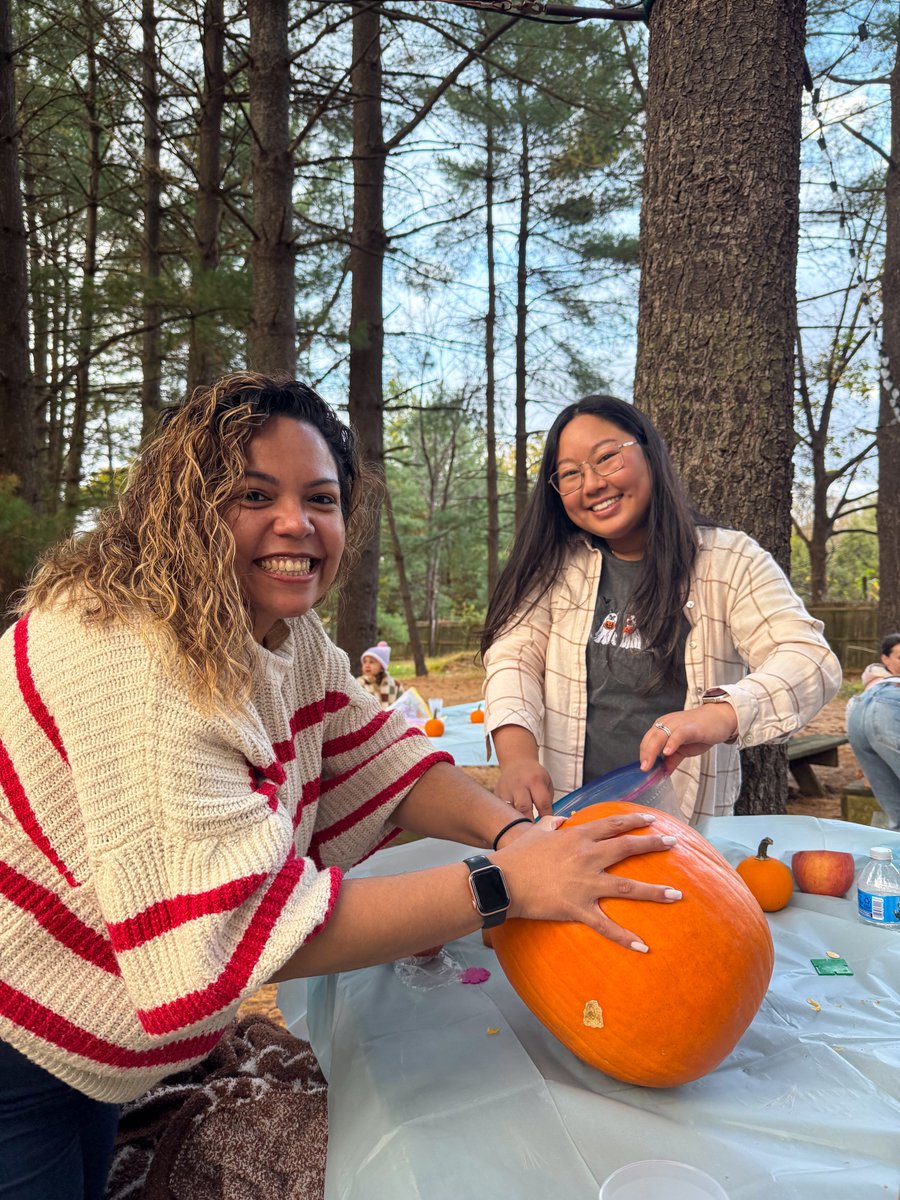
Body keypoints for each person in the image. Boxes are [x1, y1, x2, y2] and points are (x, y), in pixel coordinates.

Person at [0, 373, 685, 1200]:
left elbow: (375, 754)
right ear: (181, 505)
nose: (298, 523)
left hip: (90, 1028)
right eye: (255, 494)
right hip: (19, 1027)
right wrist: (505, 887)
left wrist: (514, 837)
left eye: (320, 498)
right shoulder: (141, 665)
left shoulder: (269, 625)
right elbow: (252, 925)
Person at [481, 394, 842, 824]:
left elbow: (808, 659)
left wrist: (721, 714)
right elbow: (512, 658)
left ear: (649, 451)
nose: (593, 483)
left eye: (607, 458)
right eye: (570, 474)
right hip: (566, 825)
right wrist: (517, 757)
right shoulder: (553, 569)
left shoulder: (731, 560)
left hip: (686, 835)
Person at [846, 632, 900, 830]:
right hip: (888, 707)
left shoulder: (872, 676)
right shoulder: (881, 678)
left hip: (856, 710)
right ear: (885, 659)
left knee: (897, 814)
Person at [357, 640, 404, 708]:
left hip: (391, 718)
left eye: (371, 662)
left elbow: (402, 705)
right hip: (370, 718)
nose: (367, 665)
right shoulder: (359, 684)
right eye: (364, 662)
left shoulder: (395, 685)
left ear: (382, 666)